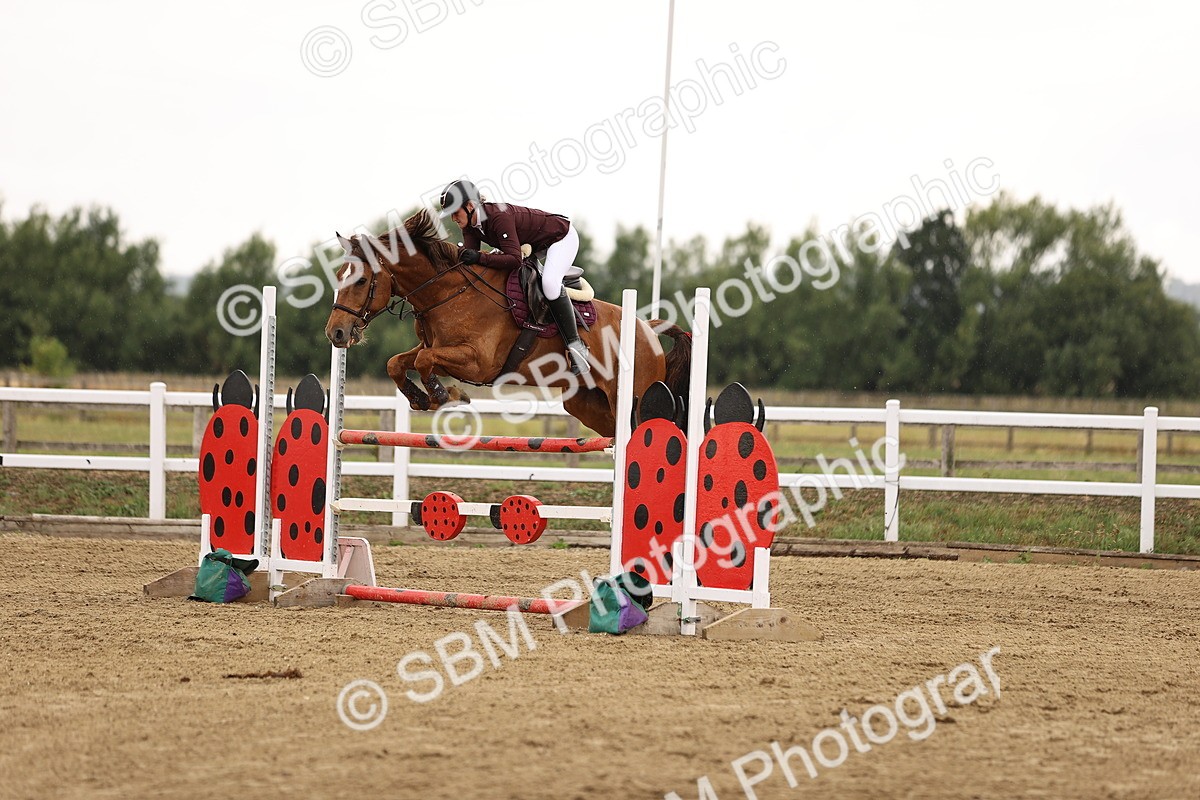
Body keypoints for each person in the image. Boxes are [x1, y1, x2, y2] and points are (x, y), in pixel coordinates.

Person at [439, 179, 591, 375]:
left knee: (550, 284)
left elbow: (513, 260)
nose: (453, 218)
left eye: (455, 212)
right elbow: (472, 263)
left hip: (561, 238)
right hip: (535, 243)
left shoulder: (498, 217)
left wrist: (479, 257)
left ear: (470, 206)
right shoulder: (470, 225)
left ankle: (577, 348)